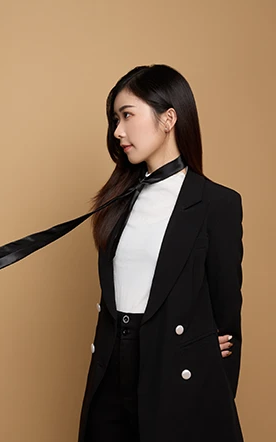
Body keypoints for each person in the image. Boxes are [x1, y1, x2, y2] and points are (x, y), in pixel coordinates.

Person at [79, 65, 243, 442]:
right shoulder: (117, 201)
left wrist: (208, 369)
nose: (117, 131)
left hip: (177, 371)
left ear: (168, 118)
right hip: (111, 367)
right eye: (115, 119)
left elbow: (226, 318)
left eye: (127, 115)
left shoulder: (216, 203)